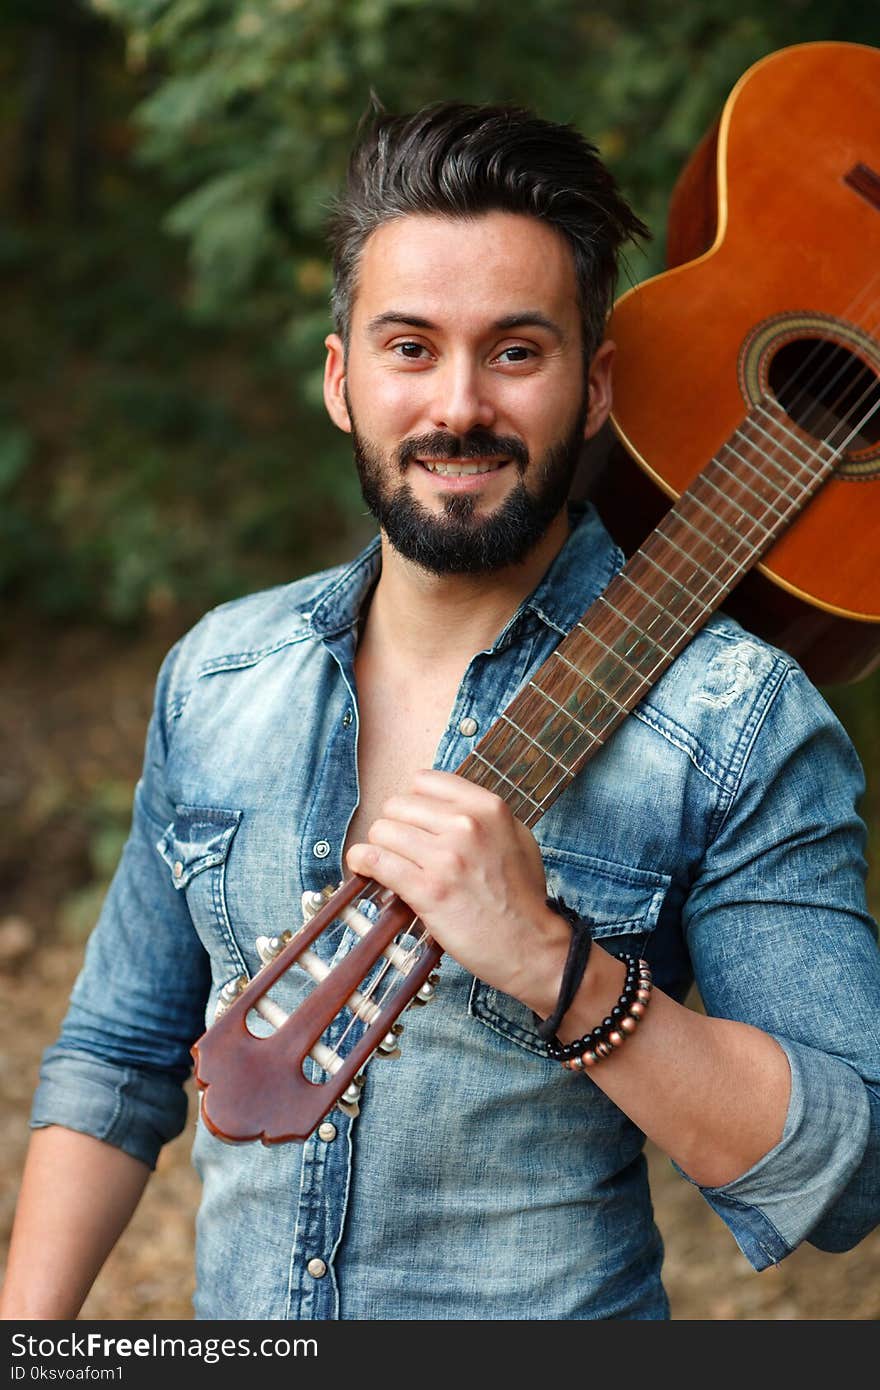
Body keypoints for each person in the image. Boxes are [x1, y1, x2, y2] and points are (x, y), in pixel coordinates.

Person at [2, 102, 879, 1323]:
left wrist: (552, 964)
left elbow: (845, 1164)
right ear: (339, 378)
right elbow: (113, 1061)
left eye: (516, 351)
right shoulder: (219, 671)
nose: (458, 405)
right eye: (409, 347)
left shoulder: (737, 715)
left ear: (594, 385)